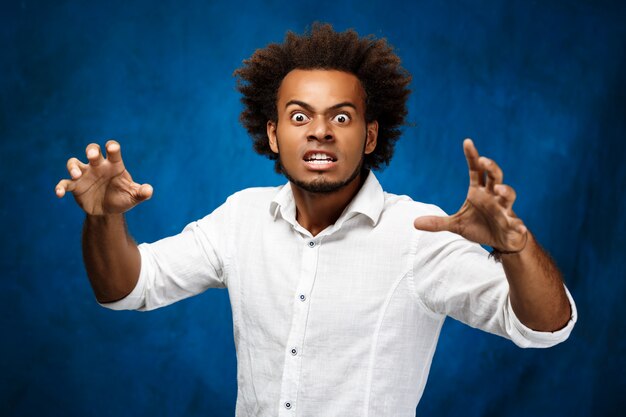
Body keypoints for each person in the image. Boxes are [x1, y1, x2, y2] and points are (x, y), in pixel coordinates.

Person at [55, 23, 576, 417]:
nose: (320, 131)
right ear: (275, 134)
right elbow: (128, 288)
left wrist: (514, 246)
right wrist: (102, 220)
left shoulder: (421, 232)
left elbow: (546, 328)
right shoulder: (241, 218)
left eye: (341, 117)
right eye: (300, 116)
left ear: (370, 136)